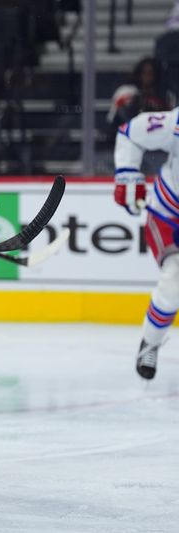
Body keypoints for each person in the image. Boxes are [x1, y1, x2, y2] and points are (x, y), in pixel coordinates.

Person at [113, 105, 179, 380]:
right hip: (169, 213)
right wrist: (128, 177)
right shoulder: (175, 123)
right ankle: (150, 343)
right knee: (176, 277)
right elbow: (130, 133)